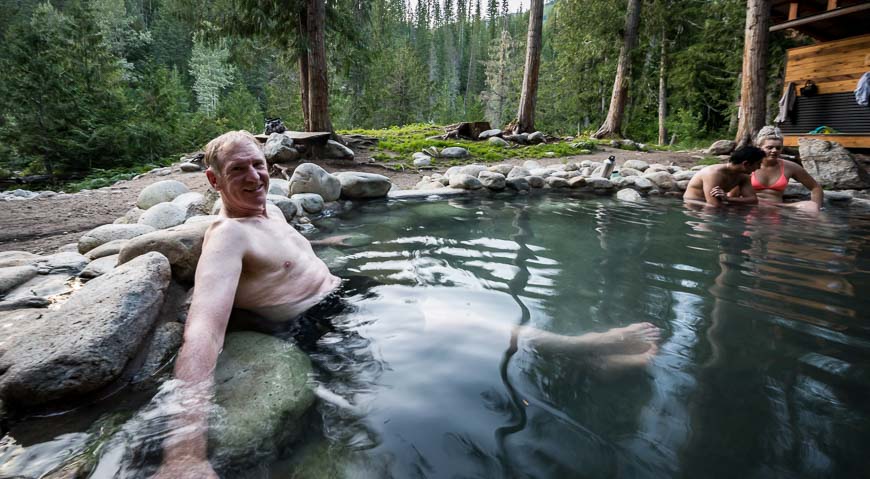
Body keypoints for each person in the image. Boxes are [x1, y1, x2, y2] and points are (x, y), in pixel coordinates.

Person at [156, 131, 662, 477]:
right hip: (321, 323)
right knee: (451, 325)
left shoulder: (268, 214)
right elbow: (204, 329)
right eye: (239, 170)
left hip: (346, 295)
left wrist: (329, 251)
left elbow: (287, 260)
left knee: (453, 308)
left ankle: (572, 350)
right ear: (213, 180)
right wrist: (183, 450)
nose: (255, 177)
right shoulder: (226, 238)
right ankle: (576, 349)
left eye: (259, 165)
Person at [732, 127, 823, 212]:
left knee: (811, 206)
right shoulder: (748, 166)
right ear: (759, 147)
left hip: (777, 207)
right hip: (751, 206)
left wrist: (817, 208)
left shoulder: (790, 167)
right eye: (769, 147)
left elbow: (815, 187)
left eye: (778, 148)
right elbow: (732, 195)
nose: (774, 150)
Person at [683, 146, 765, 207]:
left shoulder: (744, 176)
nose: (759, 167)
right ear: (746, 164)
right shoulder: (713, 174)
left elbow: (753, 200)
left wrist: (728, 199)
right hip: (693, 204)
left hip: (715, 204)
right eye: (758, 164)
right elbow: (713, 204)